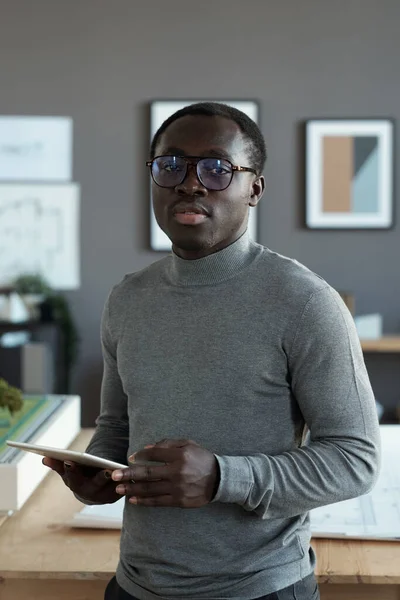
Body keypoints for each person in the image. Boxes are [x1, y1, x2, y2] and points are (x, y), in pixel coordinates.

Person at [43, 102, 381, 600]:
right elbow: (117, 427)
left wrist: (225, 477)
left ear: (255, 189)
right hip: (136, 586)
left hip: (259, 590)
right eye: (171, 165)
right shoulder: (128, 298)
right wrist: (97, 471)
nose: (191, 183)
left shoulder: (305, 302)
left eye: (217, 168)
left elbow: (356, 459)